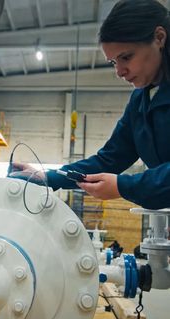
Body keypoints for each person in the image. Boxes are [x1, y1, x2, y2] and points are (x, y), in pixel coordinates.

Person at [14, 0, 170, 210]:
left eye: (126, 57)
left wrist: (124, 186)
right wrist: (47, 177)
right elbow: (109, 159)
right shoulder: (140, 101)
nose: (119, 71)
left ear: (159, 38)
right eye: (114, 62)